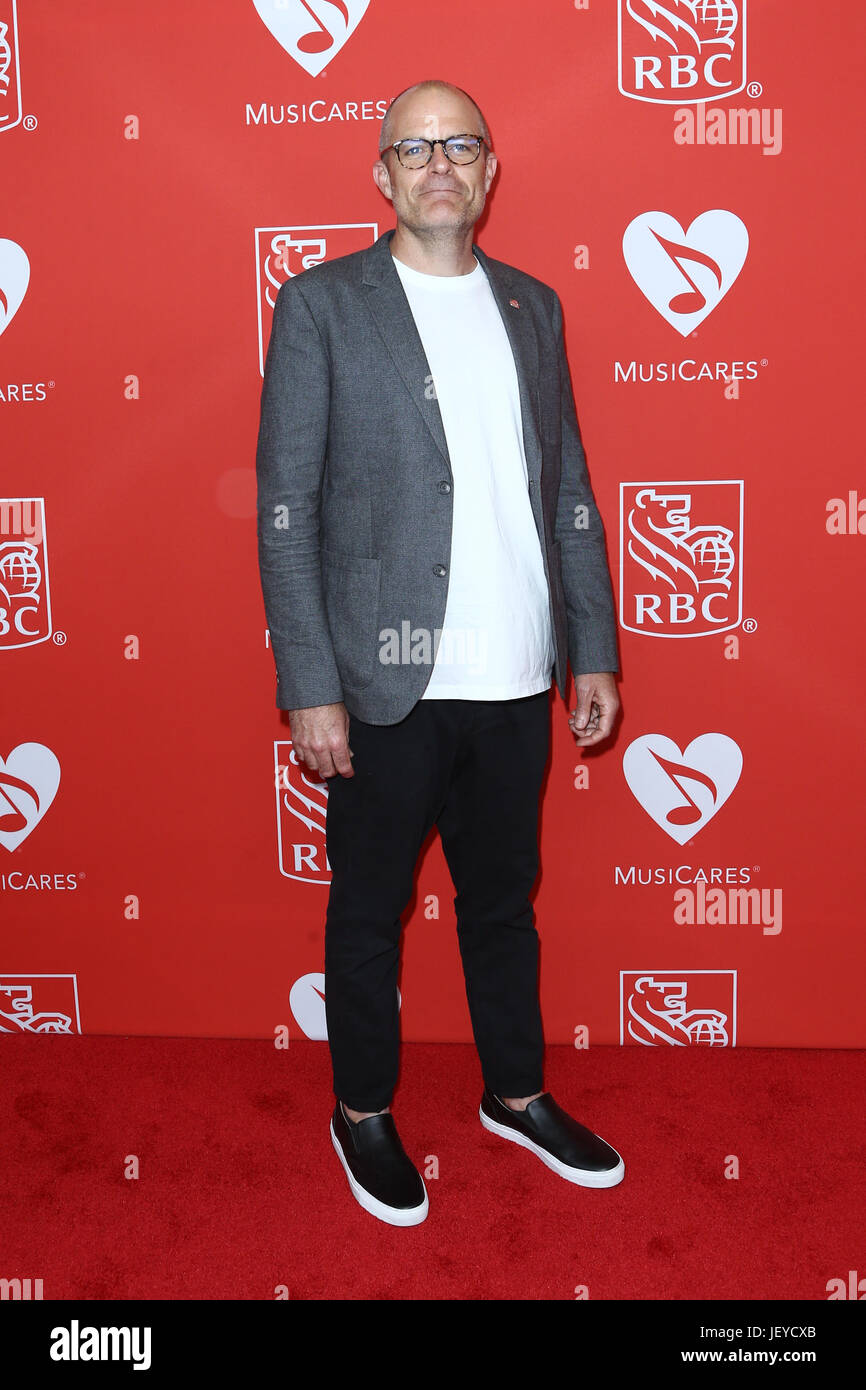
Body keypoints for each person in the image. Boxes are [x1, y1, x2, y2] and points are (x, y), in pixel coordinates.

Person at [256, 78, 624, 1227]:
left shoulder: (533, 306)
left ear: (488, 170)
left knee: (502, 902)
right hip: (386, 678)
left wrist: (590, 649)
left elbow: (564, 490)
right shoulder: (321, 305)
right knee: (367, 913)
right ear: (379, 175)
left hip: (514, 675)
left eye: (458, 144)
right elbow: (284, 505)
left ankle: (514, 1093)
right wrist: (311, 684)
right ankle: (362, 1108)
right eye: (412, 149)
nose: (436, 165)